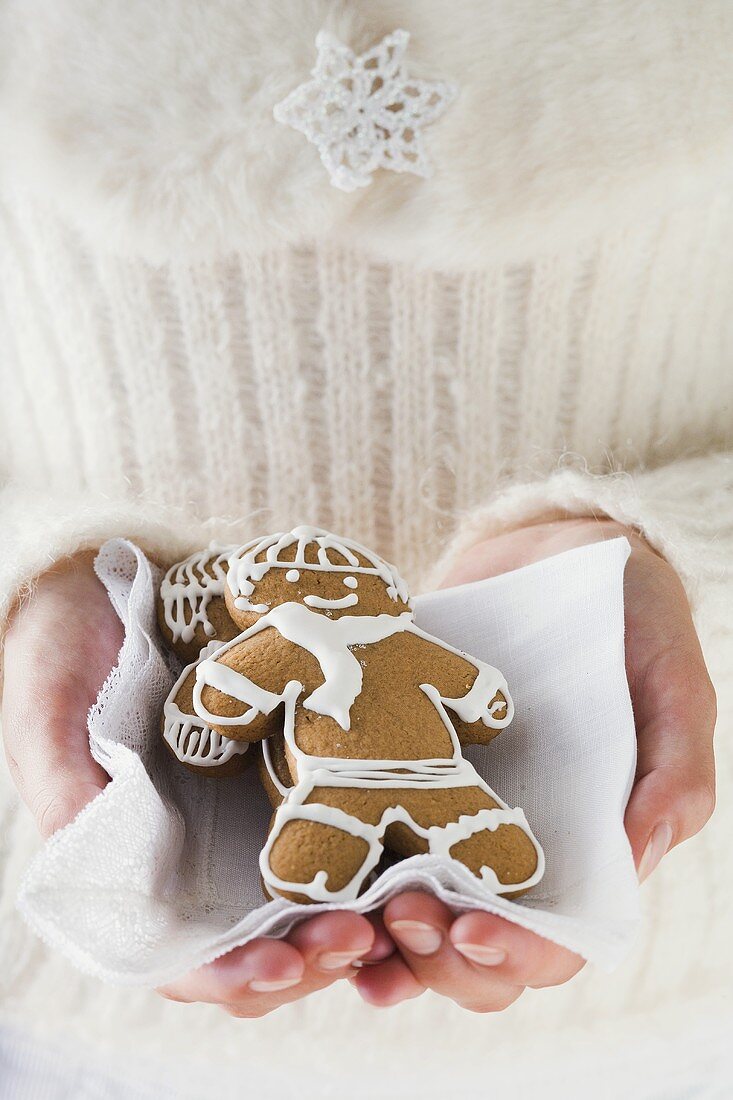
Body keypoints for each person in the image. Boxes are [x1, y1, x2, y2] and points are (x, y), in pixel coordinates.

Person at [0, 2, 729, 1095]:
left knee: (437, 811)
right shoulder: (293, 643)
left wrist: (679, 553)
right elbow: (228, 713)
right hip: (79, 1018)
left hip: (674, 991)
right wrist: (33, 584)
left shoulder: (316, 646)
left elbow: (441, 696)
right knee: (353, 820)